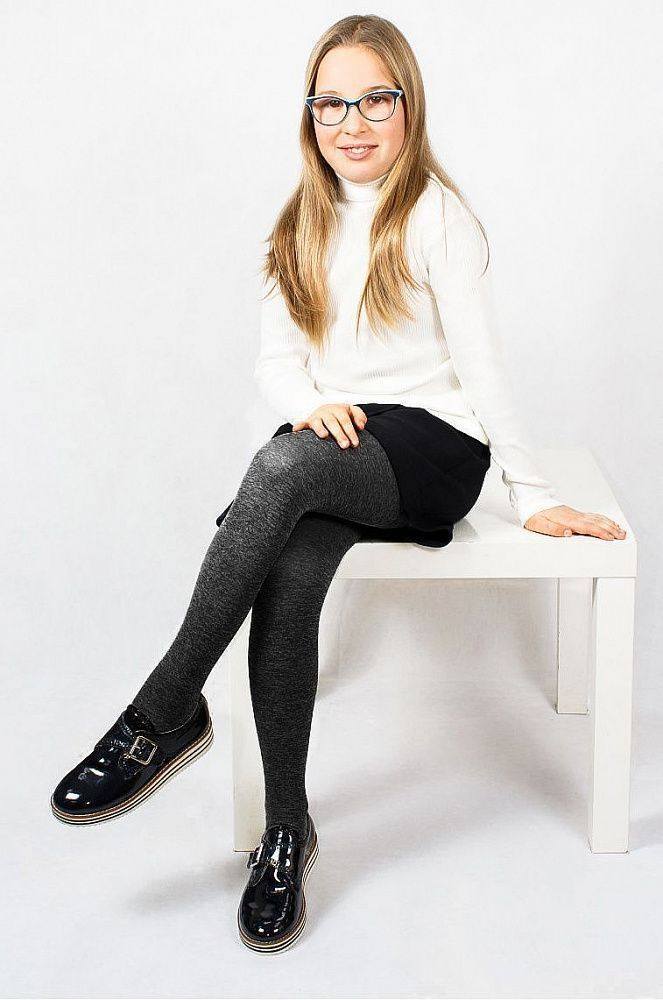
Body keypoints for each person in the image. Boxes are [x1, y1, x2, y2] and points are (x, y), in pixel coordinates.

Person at [50, 14, 626, 954]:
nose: (351, 123)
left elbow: (482, 368)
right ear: (308, 115)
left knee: (279, 468)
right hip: (340, 447)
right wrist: (310, 407)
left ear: (408, 107)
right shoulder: (298, 224)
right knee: (287, 558)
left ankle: (164, 710)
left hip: (432, 452)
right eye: (330, 104)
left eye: (373, 100)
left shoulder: (436, 216)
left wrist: (531, 494)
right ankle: (288, 830)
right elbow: (277, 365)